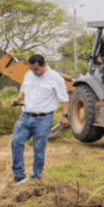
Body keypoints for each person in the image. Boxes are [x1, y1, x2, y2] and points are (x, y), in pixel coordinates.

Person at [10, 54, 69, 184]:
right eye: (32, 69)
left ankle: (36, 177)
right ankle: (19, 176)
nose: (34, 72)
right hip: (25, 116)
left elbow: (65, 99)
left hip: (43, 119)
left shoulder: (55, 78)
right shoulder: (28, 75)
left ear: (44, 65)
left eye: (36, 69)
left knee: (39, 148)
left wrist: (64, 116)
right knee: (16, 142)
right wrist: (18, 99)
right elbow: (23, 90)